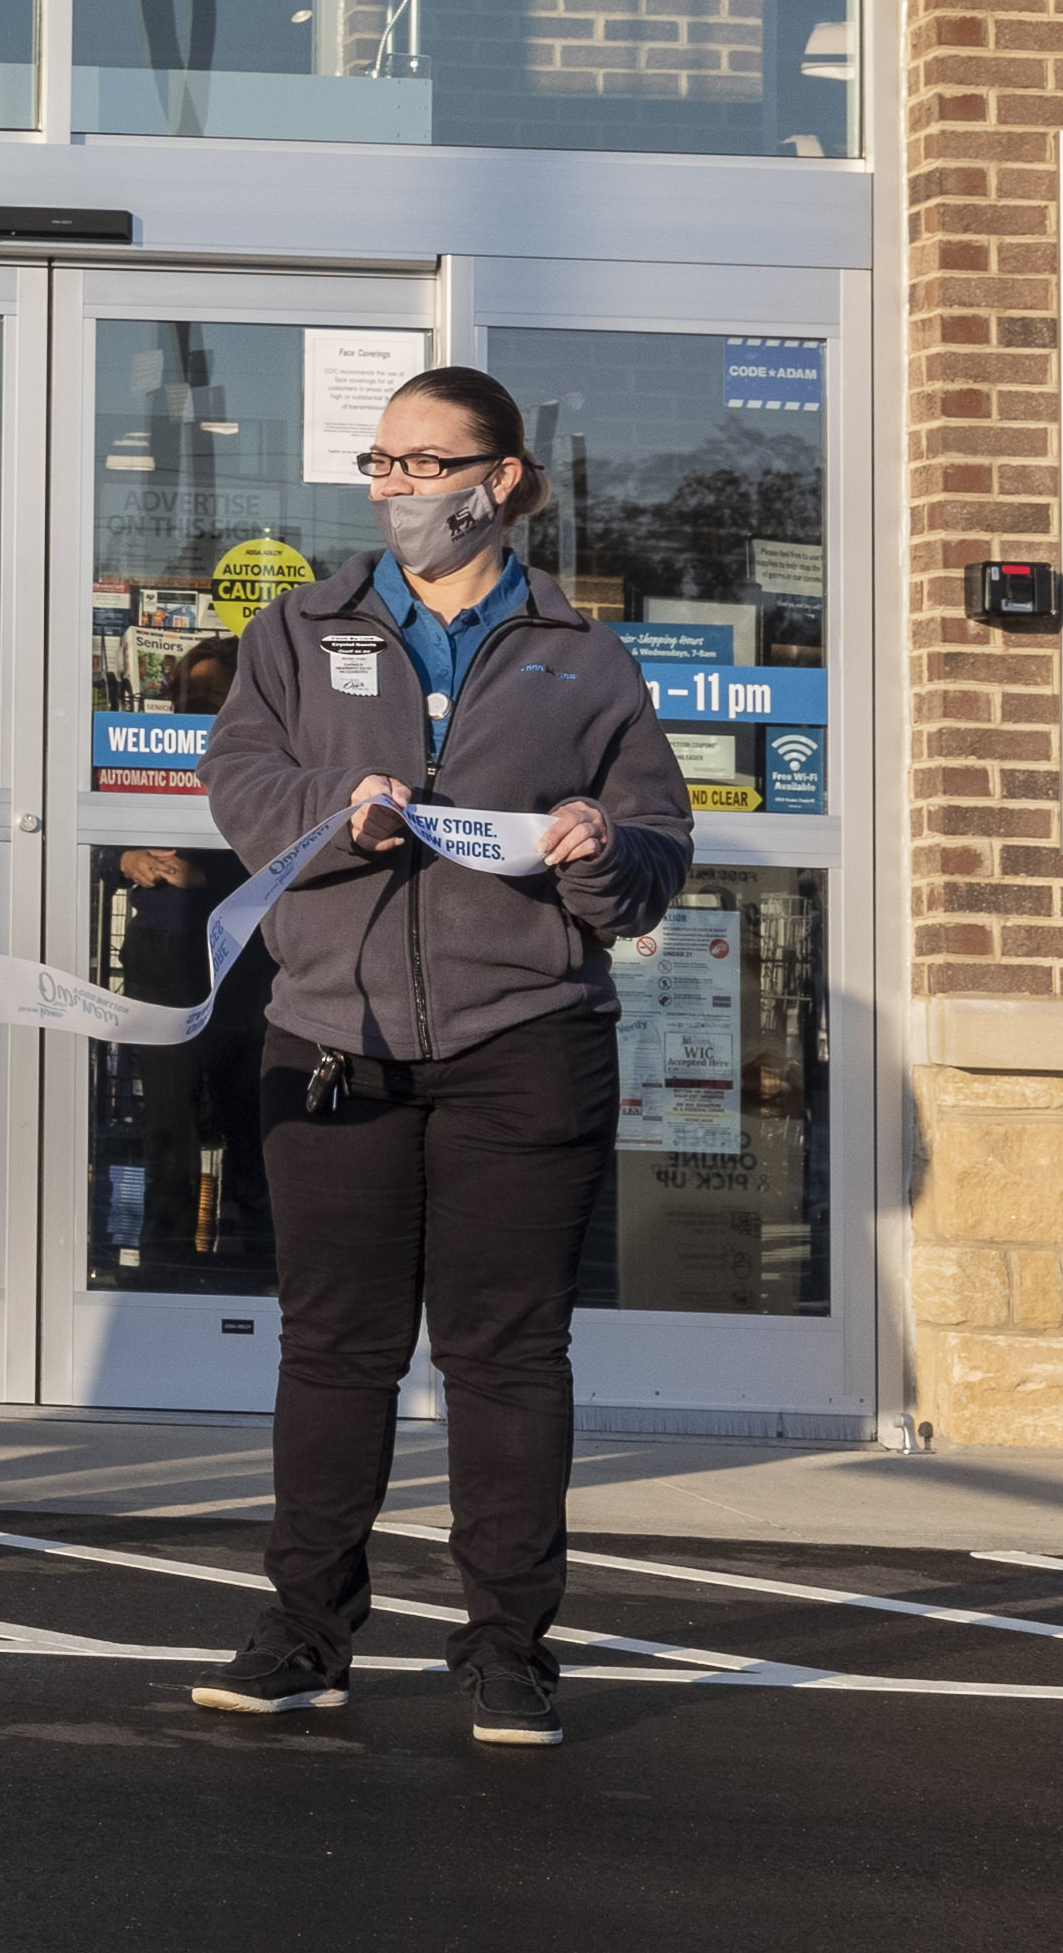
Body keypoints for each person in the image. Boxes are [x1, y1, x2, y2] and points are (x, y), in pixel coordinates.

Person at [190, 365, 690, 1746]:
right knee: (336, 1351)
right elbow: (239, 784)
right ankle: (303, 1637)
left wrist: (598, 853)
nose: (400, 489)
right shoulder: (301, 629)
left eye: (428, 465)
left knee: (508, 1356)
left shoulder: (584, 657)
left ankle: (512, 1648)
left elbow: (658, 856)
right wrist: (330, 811)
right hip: (331, 1041)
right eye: (384, 465)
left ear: (505, 480)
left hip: (524, 1042)